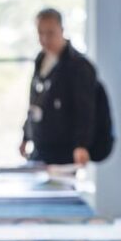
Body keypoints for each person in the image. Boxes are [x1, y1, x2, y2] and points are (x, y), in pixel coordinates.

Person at [20, 8, 98, 165]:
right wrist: (26, 136)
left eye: (50, 33)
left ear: (61, 30)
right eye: (40, 33)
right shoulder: (41, 59)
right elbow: (35, 102)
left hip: (64, 152)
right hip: (40, 149)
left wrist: (81, 145)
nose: (44, 39)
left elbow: (86, 111)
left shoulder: (79, 66)